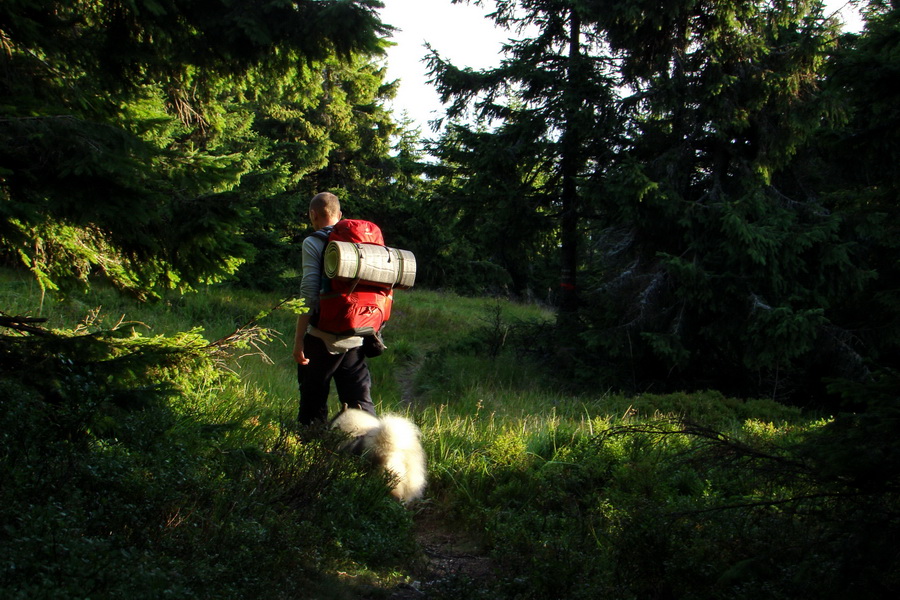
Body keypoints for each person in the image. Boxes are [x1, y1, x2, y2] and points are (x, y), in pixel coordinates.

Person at [292, 192, 376, 425]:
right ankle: (372, 453)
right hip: (358, 331)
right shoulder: (362, 243)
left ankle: (311, 449)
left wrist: (299, 339)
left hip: (322, 334)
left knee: (313, 399)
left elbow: (309, 289)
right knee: (360, 403)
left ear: (313, 215)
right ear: (339, 215)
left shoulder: (314, 242)